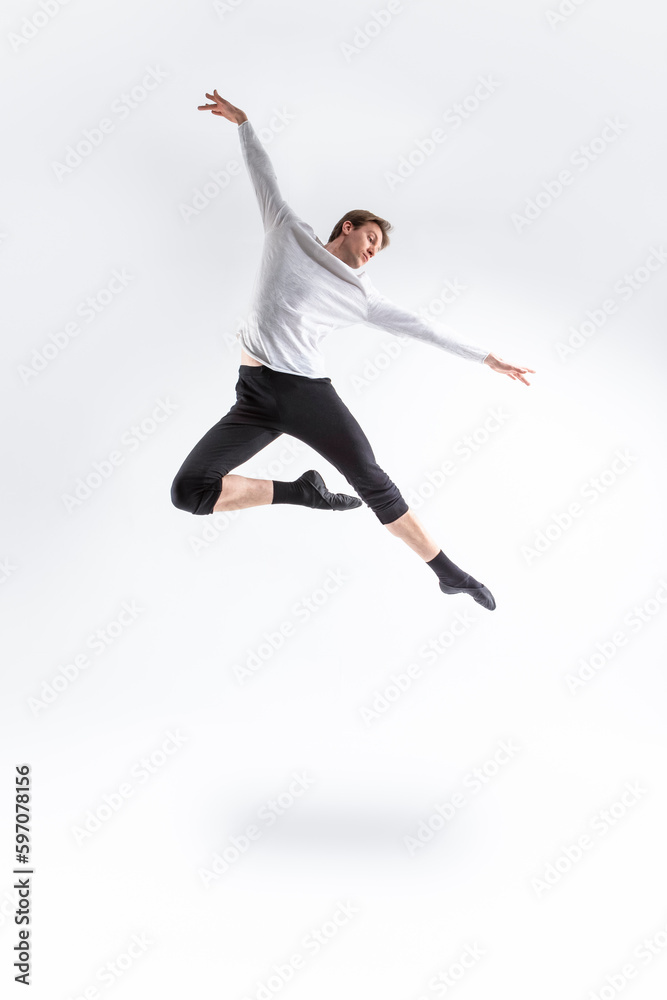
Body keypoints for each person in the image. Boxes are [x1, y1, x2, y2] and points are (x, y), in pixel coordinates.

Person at [170, 90, 536, 611]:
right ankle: (303, 493)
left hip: (303, 393)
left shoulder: (360, 296)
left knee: (370, 481)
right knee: (190, 492)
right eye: (370, 239)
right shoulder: (287, 231)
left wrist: (489, 358)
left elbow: (424, 328)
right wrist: (244, 123)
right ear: (348, 226)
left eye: (377, 251)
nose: (371, 252)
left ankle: (449, 572)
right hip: (252, 395)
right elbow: (263, 175)